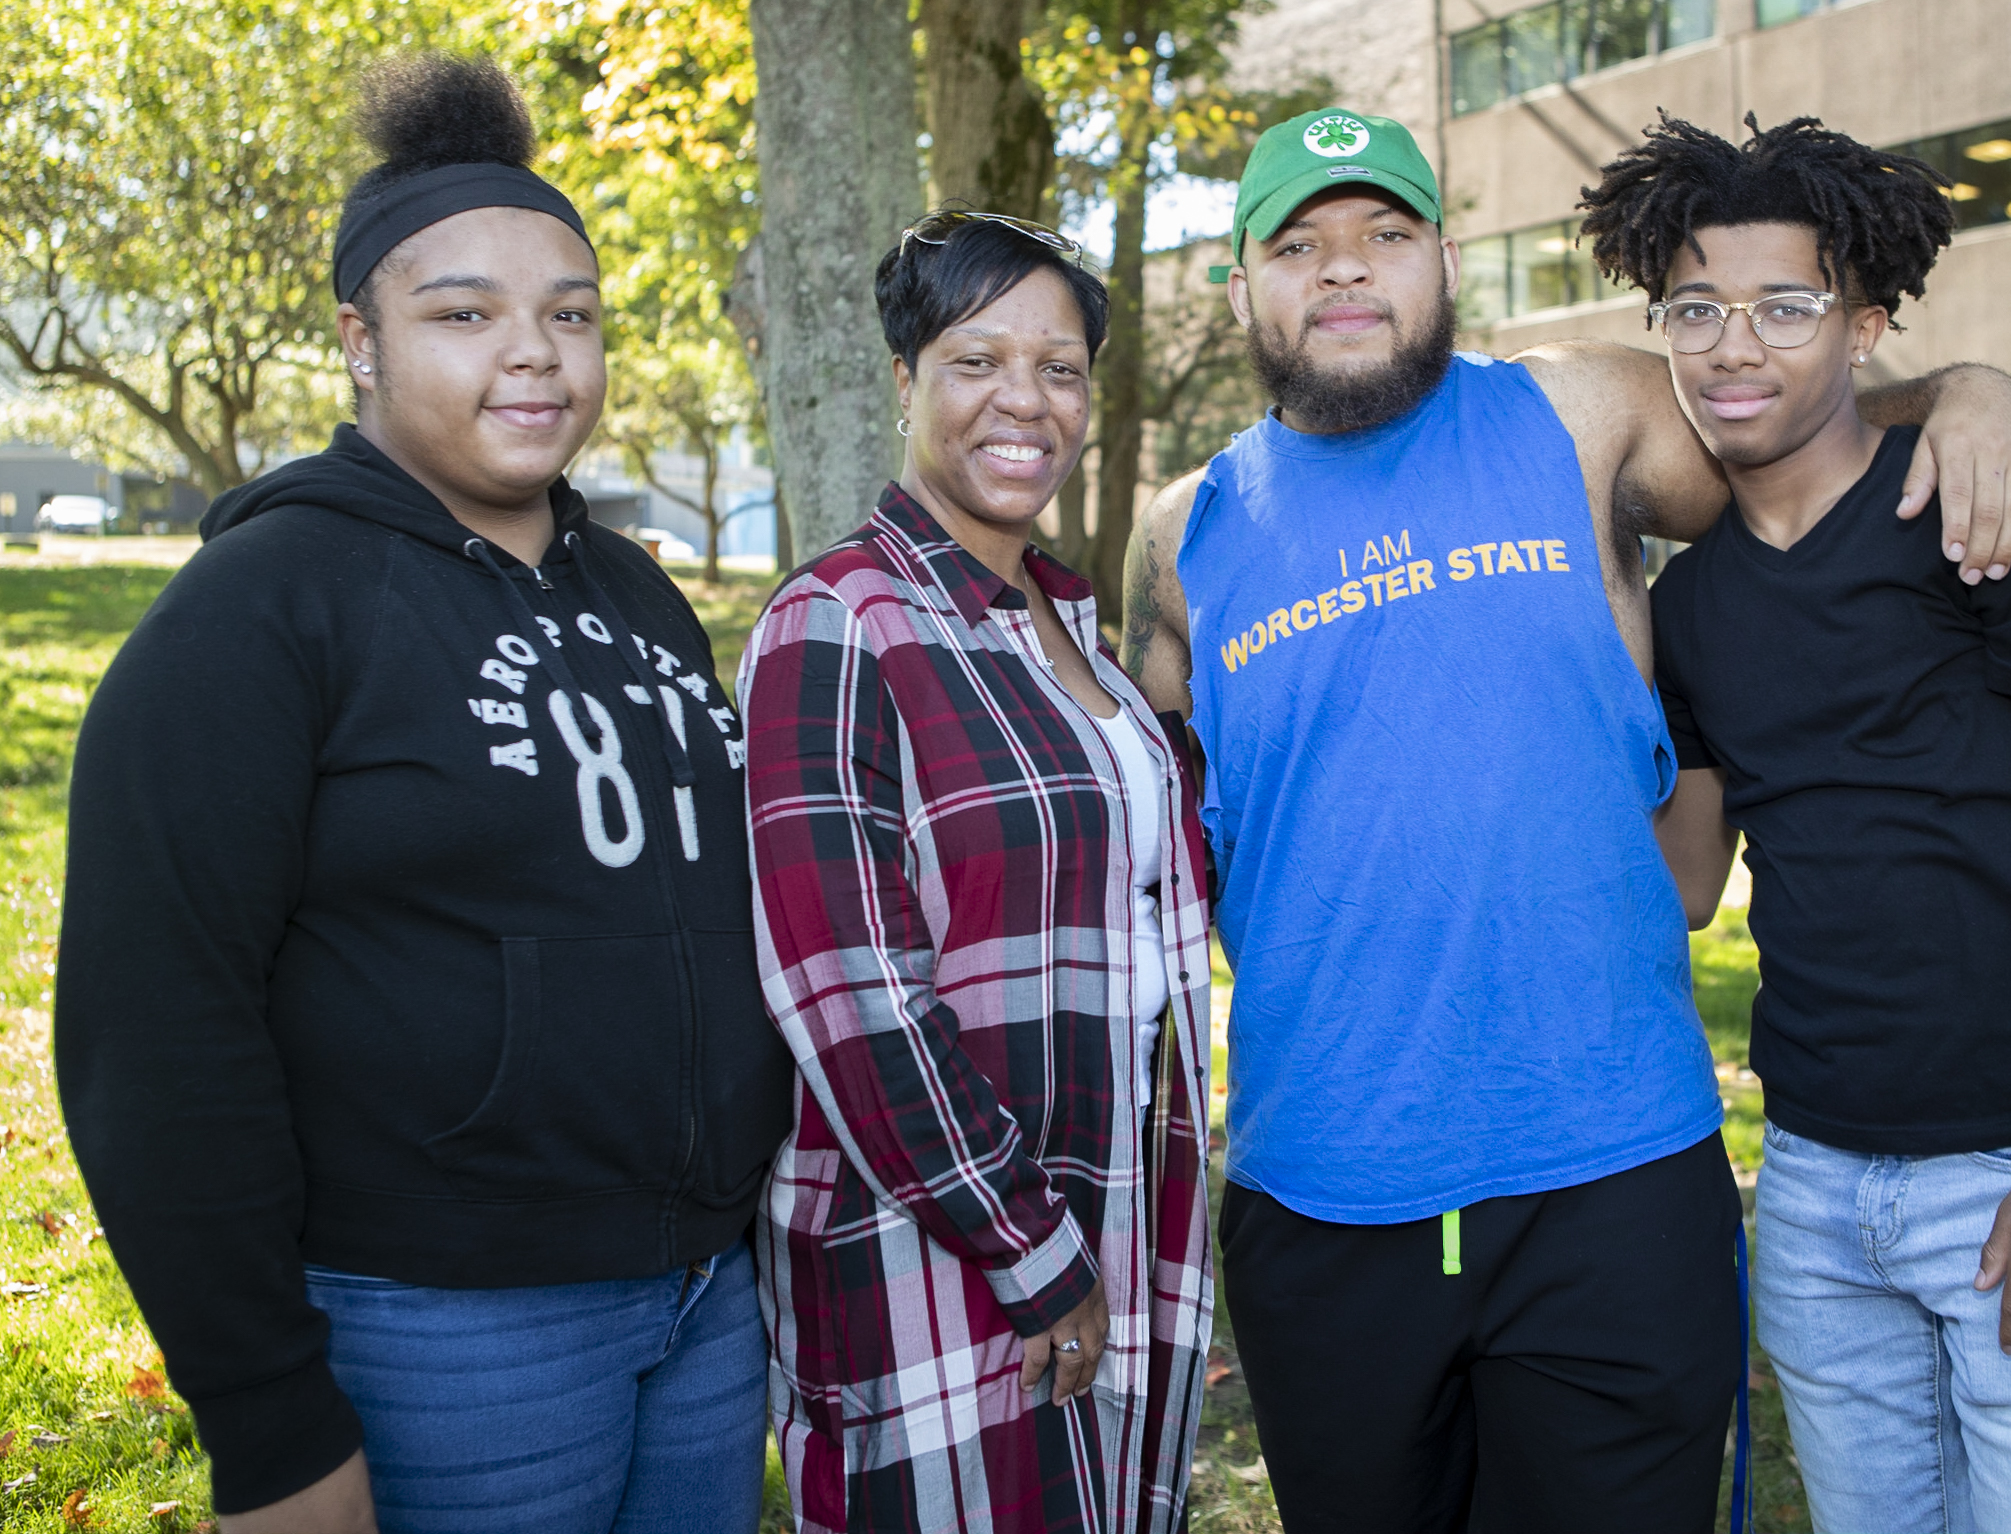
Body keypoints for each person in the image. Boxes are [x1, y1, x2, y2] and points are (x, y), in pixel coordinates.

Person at [1119, 106, 2011, 1532]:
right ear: (1239, 281)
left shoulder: (1578, 410)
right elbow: (1145, 846)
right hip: (1322, 1188)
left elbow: (1804, 439)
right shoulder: (1178, 533)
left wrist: (1973, 390)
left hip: (1609, 1171)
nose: (1346, 271)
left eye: (1386, 233)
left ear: (1444, 256)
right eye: (1298, 244)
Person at [55, 56, 793, 1534]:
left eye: (569, 314)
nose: (534, 355)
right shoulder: (260, 607)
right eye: (463, 313)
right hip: (448, 1324)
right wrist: (269, 1424)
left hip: (706, 1299)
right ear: (360, 341)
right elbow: (153, 1034)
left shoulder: (639, 591)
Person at [1598, 115, 2011, 1534]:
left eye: (1784, 306)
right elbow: (1684, 881)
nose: (1732, 346)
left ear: (1865, 323)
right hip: (1817, 1180)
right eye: (1694, 308)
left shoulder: (1974, 507)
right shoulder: (1686, 605)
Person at [741, 210, 1216, 1534]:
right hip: (941, 1257)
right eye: (976, 359)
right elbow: (852, 993)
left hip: (1110, 1211)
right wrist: (1030, 1250)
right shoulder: (838, 619)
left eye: (1059, 368)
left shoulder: (1070, 629)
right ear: (905, 378)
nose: (1026, 399)